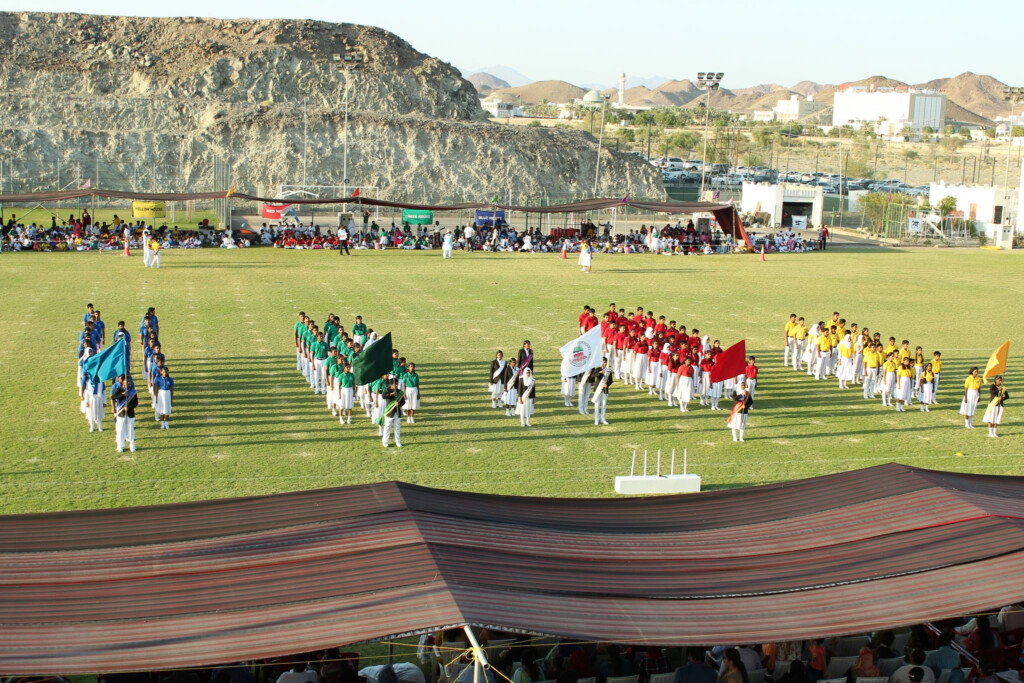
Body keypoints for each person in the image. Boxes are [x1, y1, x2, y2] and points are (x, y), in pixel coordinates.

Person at [109, 373, 139, 453]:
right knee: (120, 430)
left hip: (130, 413)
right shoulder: (118, 390)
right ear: (123, 382)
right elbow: (113, 397)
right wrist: (122, 395)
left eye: (129, 381)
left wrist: (128, 407)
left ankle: (132, 445)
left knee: (131, 430)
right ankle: (120, 446)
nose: (129, 383)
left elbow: (135, 403)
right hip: (121, 413)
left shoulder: (132, 391)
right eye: (127, 381)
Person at [380, 377, 406, 448]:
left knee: (397, 428)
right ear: (391, 384)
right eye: (395, 384)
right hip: (390, 412)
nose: (396, 385)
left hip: (397, 412)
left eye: (397, 384)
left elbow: (403, 402)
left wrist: (399, 404)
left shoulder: (399, 392)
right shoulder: (387, 390)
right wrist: (391, 394)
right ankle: (385, 442)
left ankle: (398, 441)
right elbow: (383, 396)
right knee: (387, 428)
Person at [590, 359, 612, 425]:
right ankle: (596, 419)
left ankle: (603, 419)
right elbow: (592, 375)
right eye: (604, 362)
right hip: (598, 389)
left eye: (606, 362)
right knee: (597, 405)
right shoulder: (598, 369)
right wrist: (599, 372)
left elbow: (611, 380)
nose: (605, 363)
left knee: (604, 404)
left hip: (605, 390)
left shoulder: (608, 370)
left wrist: (607, 384)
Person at [153, 365, 174, 429]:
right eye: (164, 372)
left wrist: (171, 398)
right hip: (161, 393)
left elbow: (172, 389)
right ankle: (162, 424)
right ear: (161, 372)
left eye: (166, 372)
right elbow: (156, 388)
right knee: (161, 410)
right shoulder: (158, 379)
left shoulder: (170, 379)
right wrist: (156, 397)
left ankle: (166, 423)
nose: (165, 373)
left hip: (167, 393)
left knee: (167, 410)